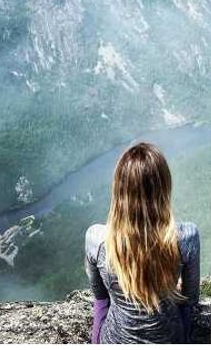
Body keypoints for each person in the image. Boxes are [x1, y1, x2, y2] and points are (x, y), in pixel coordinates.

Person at [84, 142, 200, 343]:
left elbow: (101, 300)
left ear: (119, 190)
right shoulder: (186, 237)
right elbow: (190, 301)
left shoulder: (97, 240)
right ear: (164, 187)